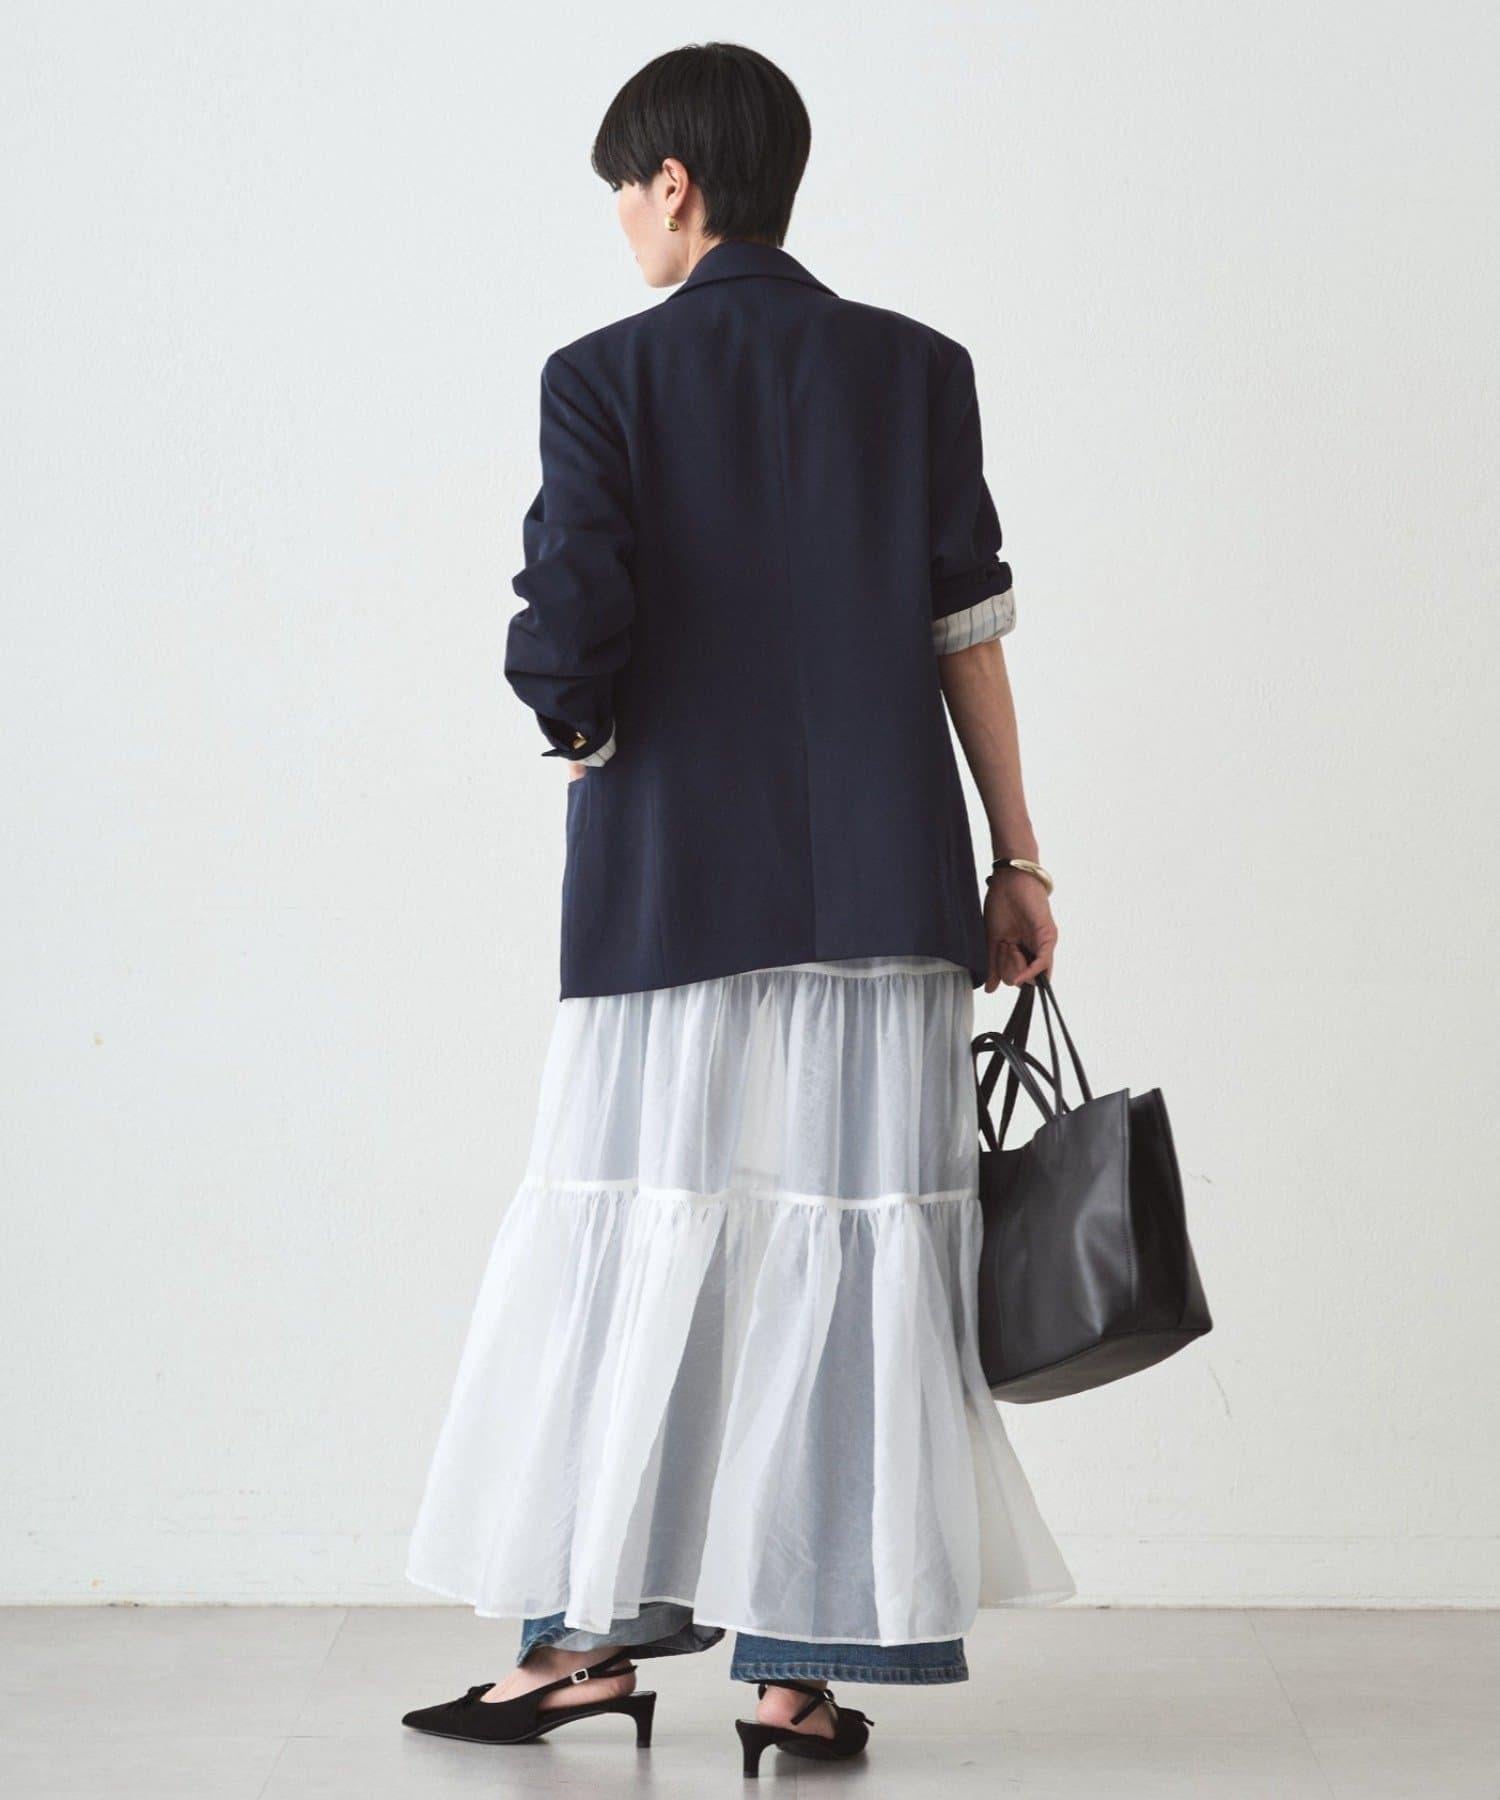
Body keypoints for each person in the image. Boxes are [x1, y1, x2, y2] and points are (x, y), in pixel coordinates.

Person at [403, 40, 1071, 1776]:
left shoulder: (602, 375)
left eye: (625, 193)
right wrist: (1016, 858)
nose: (624, 224)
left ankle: (585, 1647)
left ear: (675, 185)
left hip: (672, 883)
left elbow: (570, 615)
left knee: (639, 1242)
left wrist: (576, 730)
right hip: (884, 879)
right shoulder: (918, 370)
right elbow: (966, 632)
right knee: (851, 1252)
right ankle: (797, 1676)